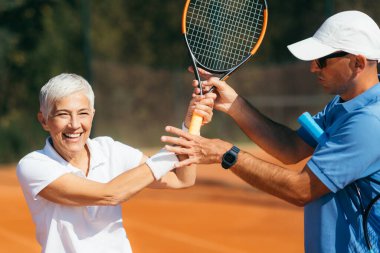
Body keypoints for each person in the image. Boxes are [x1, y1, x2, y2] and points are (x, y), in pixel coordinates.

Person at [161, 10, 380, 253]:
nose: (313, 68)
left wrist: (225, 154)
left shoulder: (370, 122)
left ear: (358, 63)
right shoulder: (342, 105)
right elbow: (292, 148)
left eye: (322, 60)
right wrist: (234, 105)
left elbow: (302, 189)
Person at [16, 73, 216, 253]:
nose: (75, 124)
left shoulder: (110, 150)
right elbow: (109, 194)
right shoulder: (34, 165)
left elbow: (182, 179)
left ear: (92, 115)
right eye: (63, 114)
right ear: (44, 121)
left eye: (83, 113)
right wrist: (172, 152)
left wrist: (191, 128)